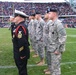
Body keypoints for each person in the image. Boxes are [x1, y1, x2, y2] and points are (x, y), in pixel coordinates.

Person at [46, 8, 67, 75]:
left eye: (49, 13)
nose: (48, 15)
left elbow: (63, 37)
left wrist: (58, 50)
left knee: (56, 69)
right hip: (51, 49)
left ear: (54, 14)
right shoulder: (52, 23)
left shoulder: (58, 24)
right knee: (52, 68)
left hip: (55, 50)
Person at [11, 9, 30, 75]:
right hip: (18, 52)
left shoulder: (21, 27)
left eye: (15, 16)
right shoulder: (18, 26)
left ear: (20, 17)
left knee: (22, 70)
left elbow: (22, 42)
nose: (14, 18)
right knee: (21, 68)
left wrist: (22, 54)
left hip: (20, 53)